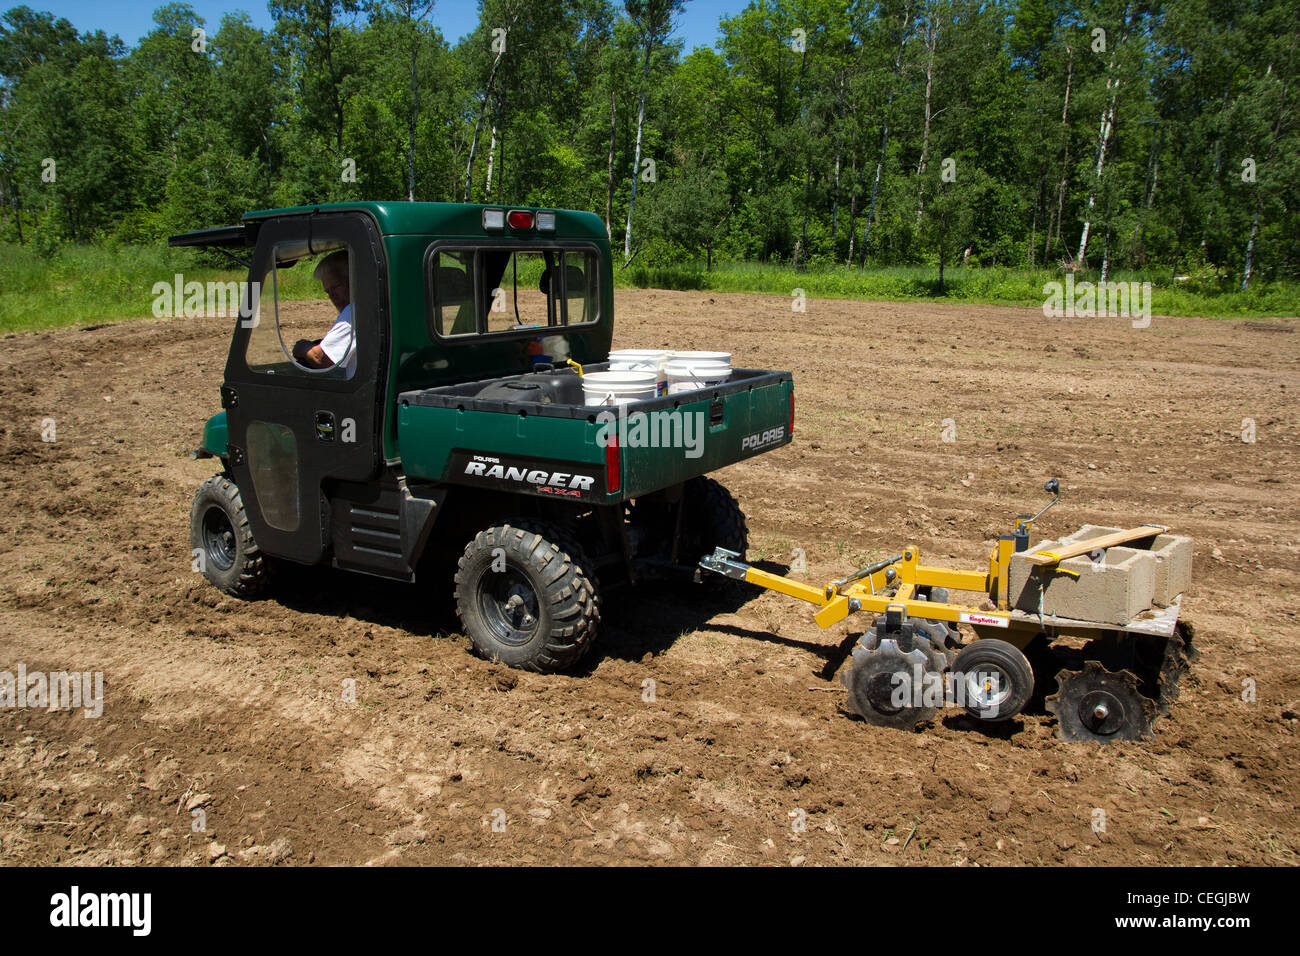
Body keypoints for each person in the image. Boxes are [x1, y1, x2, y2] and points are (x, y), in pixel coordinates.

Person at [292, 250, 356, 376]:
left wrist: (303, 347)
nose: (332, 296)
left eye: (335, 287)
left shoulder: (354, 311)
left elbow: (321, 359)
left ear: (353, 280)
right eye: (328, 292)